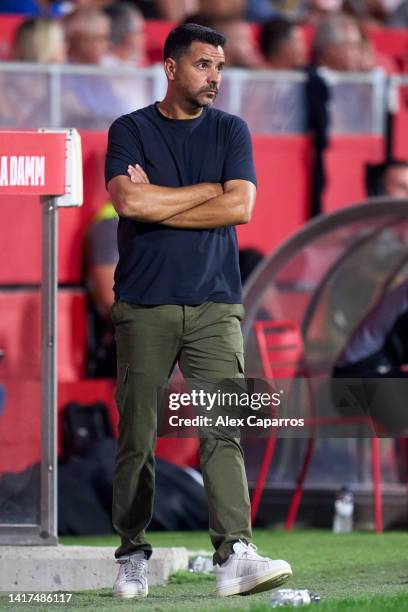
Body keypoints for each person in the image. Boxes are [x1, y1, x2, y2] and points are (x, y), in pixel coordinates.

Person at [105, 23, 292, 599]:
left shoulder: (231, 129)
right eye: (203, 65)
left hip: (216, 303)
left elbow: (241, 207)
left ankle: (234, 551)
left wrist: (162, 202)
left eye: (219, 67)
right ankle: (131, 553)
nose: (214, 78)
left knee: (222, 429)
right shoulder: (130, 129)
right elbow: (128, 199)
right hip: (144, 303)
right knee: (138, 436)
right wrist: (206, 191)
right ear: (169, 67)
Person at [103, 2, 147, 67]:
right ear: (128, 37)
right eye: (140, 32)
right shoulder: (101, 67)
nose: (145, 37)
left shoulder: (142, 68)